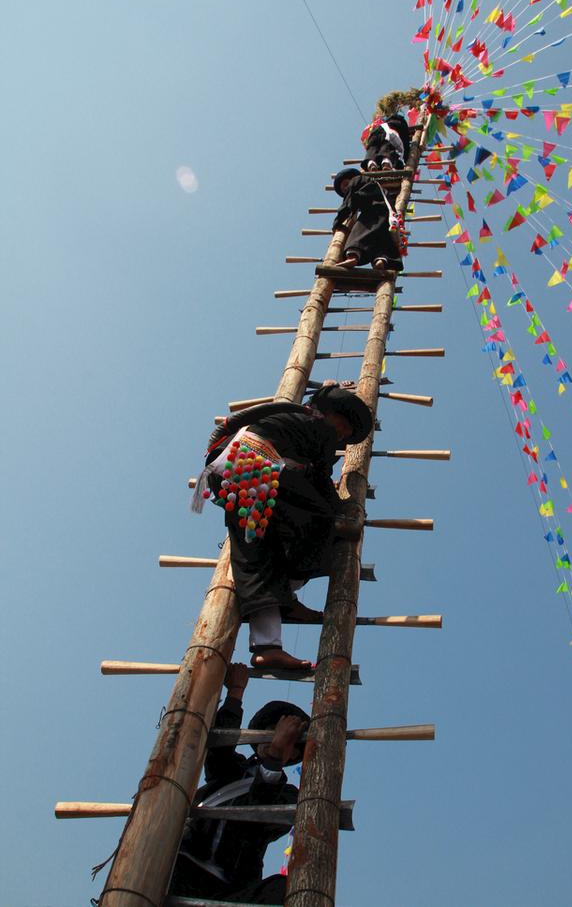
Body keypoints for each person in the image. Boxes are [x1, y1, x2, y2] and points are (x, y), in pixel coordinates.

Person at [192, 385, 373, 669]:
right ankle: (285, 594)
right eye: (345, 426)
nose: (344, 435)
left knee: (256, 553)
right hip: (256, 469)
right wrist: (343, 512)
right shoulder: (316, 425)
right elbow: (320, 482)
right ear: (328, 414)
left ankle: (267, 645)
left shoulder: (285, 424)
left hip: (229, 476)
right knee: (328, 525)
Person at [169, 663, 309, 905]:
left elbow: (260, 816)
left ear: (294, 753)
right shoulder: (230, 769)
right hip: (178, 865)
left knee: (285, 889)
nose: (275, 738)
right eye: (272, 731)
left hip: (230, 887)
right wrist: (235, 693)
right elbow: (218, 748)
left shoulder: (288, 795)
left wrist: (275, 760)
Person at [332, 168, 404, 272]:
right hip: (387, 214)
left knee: (360, 231)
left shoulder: (356, 179)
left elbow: (349, 201)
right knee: (381, 239)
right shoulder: (377, 187)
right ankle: (381, 261)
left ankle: (353, 256)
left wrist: (337, 222)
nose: (345, 189)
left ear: (350, 178)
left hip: (373, 210)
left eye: (345, 185)